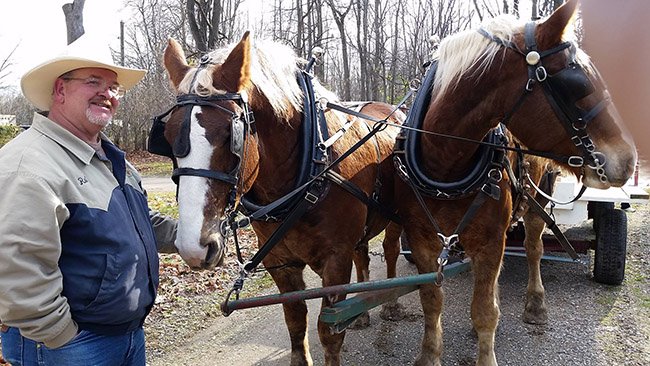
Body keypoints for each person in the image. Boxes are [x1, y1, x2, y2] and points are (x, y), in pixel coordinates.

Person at [0, 34, 177, 366]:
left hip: (126, 336)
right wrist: (61, 336)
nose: (107, 93)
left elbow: (137, 222)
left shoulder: (108, 157)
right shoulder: (30, 163)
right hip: (69, 346)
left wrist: (185, 238)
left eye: (113, 87)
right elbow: (17, 266)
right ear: (60, 90)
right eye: (93, 81)